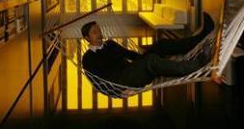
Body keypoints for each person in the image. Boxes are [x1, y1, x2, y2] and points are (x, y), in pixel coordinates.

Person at [81, 12, 215, 91]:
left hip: (131, 69)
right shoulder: (88, 58)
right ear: (87, 38)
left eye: (99, 30)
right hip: (122, 81)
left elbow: (129, 54)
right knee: (151, 61)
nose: (99, 34)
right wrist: (119, 91)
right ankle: (200, 63)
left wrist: (146, 53)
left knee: (160, 45)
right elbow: (97, 82)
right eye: (94, 32)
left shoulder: (110, 44)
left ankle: (200, 37)